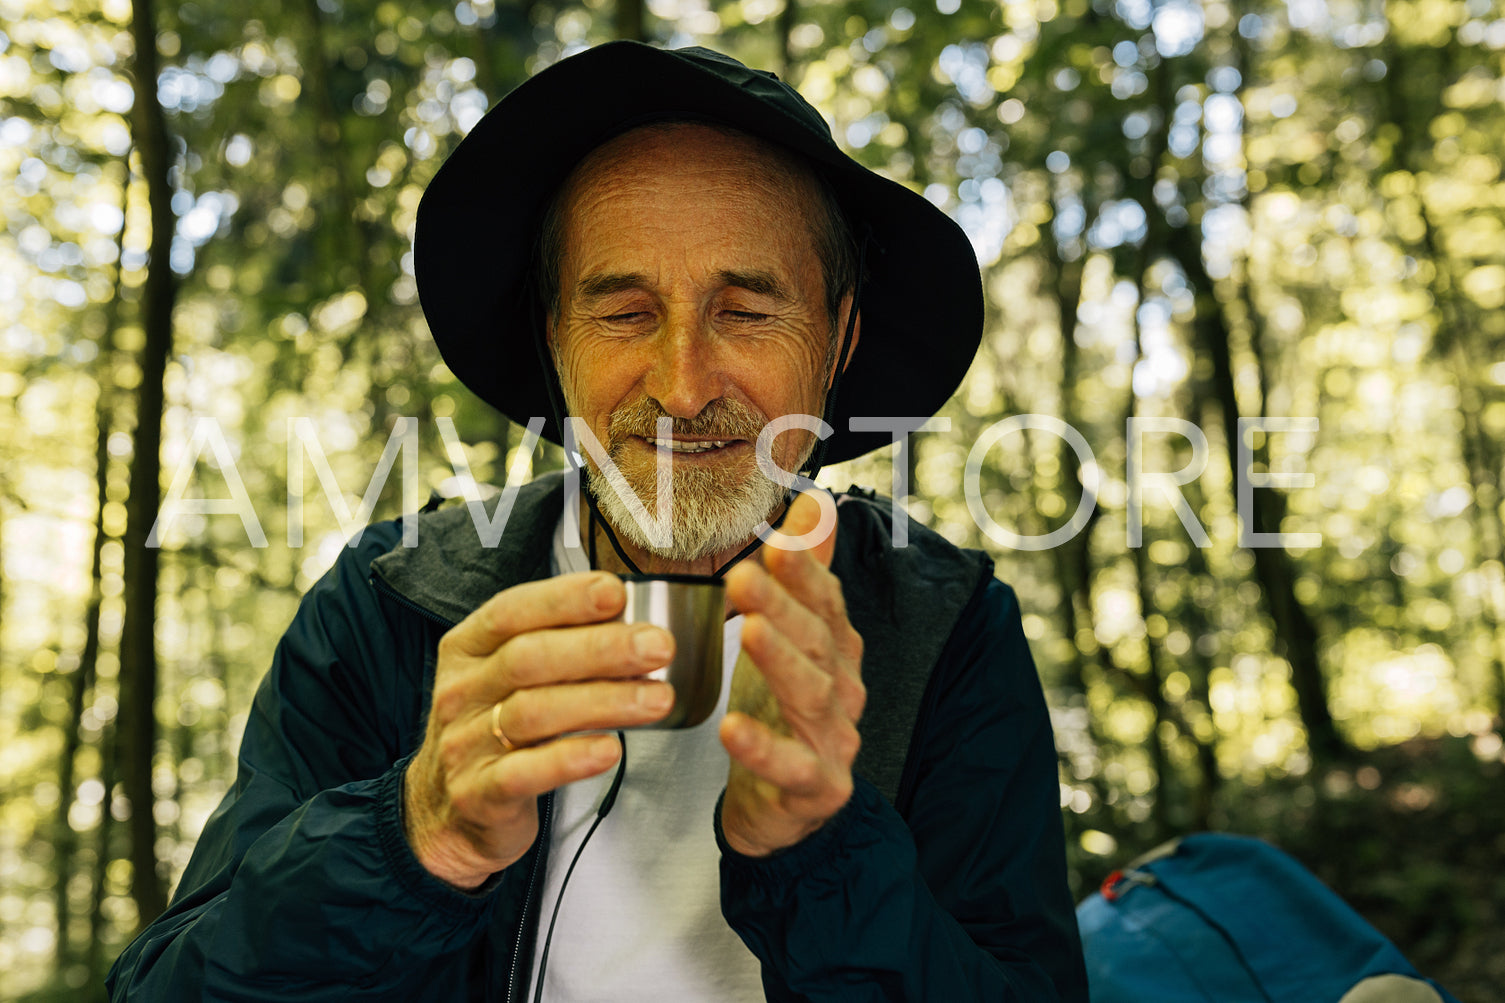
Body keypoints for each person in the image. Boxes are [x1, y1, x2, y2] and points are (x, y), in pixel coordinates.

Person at [106, 42, 1087, 1001]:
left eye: (746, 312)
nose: (681, 387)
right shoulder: (392, 600)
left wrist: (821, 853)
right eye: (622, 314)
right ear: (552, 340)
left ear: (838, 338)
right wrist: (414, 833)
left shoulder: (946, 628)